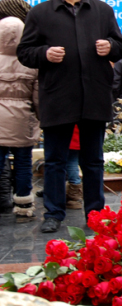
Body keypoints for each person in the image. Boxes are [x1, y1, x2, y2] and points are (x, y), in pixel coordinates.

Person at [17, 0, 122, 233]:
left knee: (93, 161)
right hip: (58, 97)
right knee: (54, 161)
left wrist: (109, 47)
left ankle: (96, 213)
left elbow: (121, 45)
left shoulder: (102, 11)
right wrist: (44, 53)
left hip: (94, 96)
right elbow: (24, 52)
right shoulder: (40, 14)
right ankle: (53, 213)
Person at [0, 16, 39, 223]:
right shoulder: (29, 63)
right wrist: (41, 119)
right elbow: (37, 97)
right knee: (23, 163)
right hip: (22, 120)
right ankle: (23, 205)